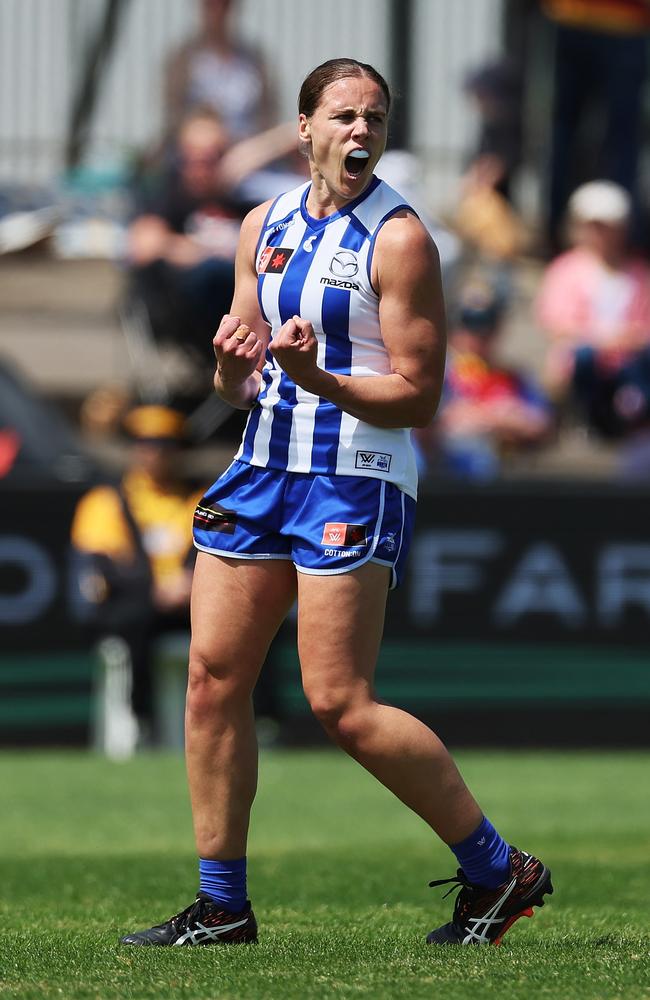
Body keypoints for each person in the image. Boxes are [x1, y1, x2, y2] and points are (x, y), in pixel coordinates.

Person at [120, 58, 552, 950]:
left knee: (339, 703)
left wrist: (319, 375)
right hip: (261, 465)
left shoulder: (399, 239)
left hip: (353, 472)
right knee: (211, 681)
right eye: (345, 116)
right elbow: (236, 378)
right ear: (306, 127)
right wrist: (234, 365)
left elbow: (423, 395)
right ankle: (222, 906)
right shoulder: (262, 224)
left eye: (376, 119)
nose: (361, 132)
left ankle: (499, 869)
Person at [128, 107, 300, 368]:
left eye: (212, 158)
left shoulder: (244, 201)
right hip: (187, 316)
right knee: (213, 274)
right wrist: (209, 252)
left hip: (247, 318)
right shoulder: (168, 197)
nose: (201, 168)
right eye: (193, 159)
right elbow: (144, 245)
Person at [71, 405, 201, 734]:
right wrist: (155, 588)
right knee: (136, 615)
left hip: (190, 603)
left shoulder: (202, 498)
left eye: (166, 445)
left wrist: (188, 583)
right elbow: (102, 566)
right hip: (134, 606)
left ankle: (262, 718)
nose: (156, 454)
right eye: (147, 445)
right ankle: (141, 717)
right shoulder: (105, 500)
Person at [536, 180, 650, 438]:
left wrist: (629, 339)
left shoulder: (639, 273)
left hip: (628, 362)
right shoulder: (565, 270)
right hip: (584, 361)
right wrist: (606, 339)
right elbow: (557, 325)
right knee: (584, 357)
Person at [415, 278, 553, 479]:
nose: (480, 334)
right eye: (470, 323)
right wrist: (494, 415)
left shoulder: (512, 376)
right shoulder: (441, 373)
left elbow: (542, 424)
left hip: (499, 478)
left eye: (488, 324)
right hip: (444, 475)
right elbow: (429, 424)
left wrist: (491, 419)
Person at [164, 0, 273, 141]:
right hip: (197, 148)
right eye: (211, 4)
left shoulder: (253, 60)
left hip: (247, 148)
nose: (217, 11)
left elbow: (268, 113)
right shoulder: (184, 59)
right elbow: (174, 112)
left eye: (223, 4)